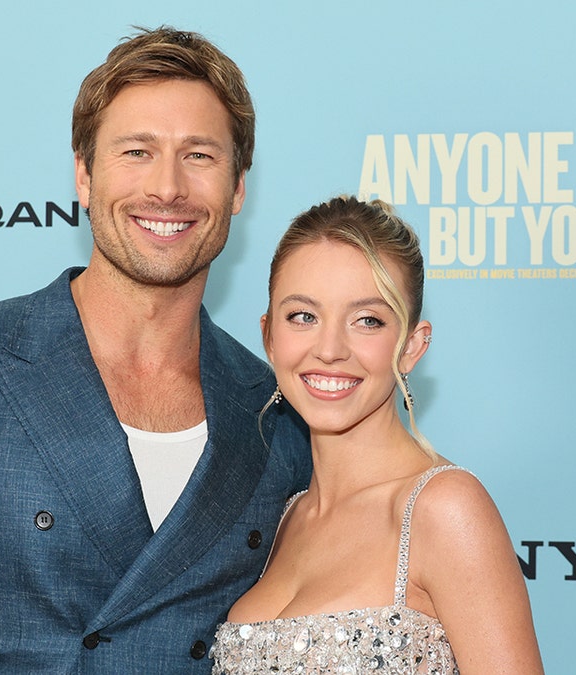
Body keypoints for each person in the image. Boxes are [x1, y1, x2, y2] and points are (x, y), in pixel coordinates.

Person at [0, 27, 310, 674]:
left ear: (238, 187)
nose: (167, 187)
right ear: (83, 176)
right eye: (137, 151)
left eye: (199, 155)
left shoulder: (275, 412)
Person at [210, 196, 543, 674]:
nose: (328, 349)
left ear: (411, 346)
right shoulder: (283, 515)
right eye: (303, 316)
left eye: (367, 320)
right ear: (268, 336)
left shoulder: (444, 508)